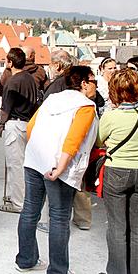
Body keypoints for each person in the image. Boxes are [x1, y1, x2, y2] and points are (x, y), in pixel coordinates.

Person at [16, 66, 99, 274]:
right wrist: (60, 167)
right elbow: (74, 139)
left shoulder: (52, 99)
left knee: (30, 211)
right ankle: (57, 271)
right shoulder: (85, 106)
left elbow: (31, 128)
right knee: (60, 217)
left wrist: (39, 153)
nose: (95, 86)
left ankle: (26, 260)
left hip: (35, 161)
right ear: (83, 83)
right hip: (59, 168)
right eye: (93, 81)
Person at [97, 69, 138, 274]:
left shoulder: (111, 116)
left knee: (116, 226)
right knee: (137, 227)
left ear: (114, 91)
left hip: (118, 171)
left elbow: (98, 140)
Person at [37, 49, 91, 233]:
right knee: (78, 183)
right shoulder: (74, 84)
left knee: (58, 194)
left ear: (58, 65)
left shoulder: (57, 86)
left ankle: (56, 223)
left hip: (61, 147)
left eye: (51, 64)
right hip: (77, 146)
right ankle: (83, 219)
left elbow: (38, 122)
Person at [0, 48, 39, 214]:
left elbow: (5, 109)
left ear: (10, 62)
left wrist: (1, 124)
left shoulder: (13, 82)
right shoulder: (30, 79)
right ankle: (22, 199)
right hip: (28, 124)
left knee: (15, 166)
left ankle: (17, 203)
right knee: (24, 166)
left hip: (15, 125)